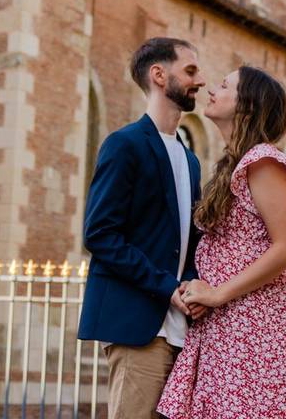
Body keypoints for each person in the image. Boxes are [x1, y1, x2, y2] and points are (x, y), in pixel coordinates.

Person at [158, 66, 286, 419]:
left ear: (247, 105)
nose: (214, 88)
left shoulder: (262, 161)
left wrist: (217, 293)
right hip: (230, 322)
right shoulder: (232, 164)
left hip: (260, 324)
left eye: (225, 85)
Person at [78, 37, 207, 419]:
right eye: (190, 70)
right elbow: (99, 234)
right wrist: (167, 288)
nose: (199, 80)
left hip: (184, 329)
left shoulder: (191, 160)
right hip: (138, 327)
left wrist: (193, 287)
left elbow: (189, 243)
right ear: (158, 75)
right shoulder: (125, 144)